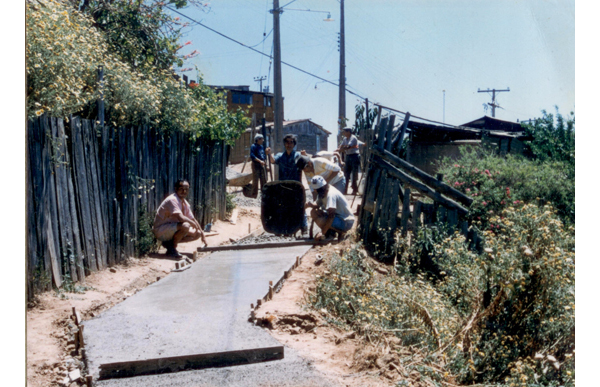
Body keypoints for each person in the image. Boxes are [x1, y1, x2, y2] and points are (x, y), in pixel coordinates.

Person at [153, 179, 206, 258]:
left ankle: (169, 245)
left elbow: (193, 219)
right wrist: (193, 223)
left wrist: (202, 235)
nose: (184, 191)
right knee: (185, 226)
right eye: (181, 189)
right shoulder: (172, 200)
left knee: (197, 233)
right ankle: (172, 249)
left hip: (171, 229)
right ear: (176, 189)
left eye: (186, 189)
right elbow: (181, 218)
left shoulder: (184, 203)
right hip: (160, 230)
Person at [268, 134, 308, 234]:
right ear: (284, 144)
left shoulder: (298, 155)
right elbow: (273, 160)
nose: (289, 144)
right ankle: (285, 229)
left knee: (300, 206)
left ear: (294, 144)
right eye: (287, 142)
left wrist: (305, 156)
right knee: (284, 206)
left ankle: (304, 227)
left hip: (296, 186)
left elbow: (307, 165)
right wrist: (269, 154)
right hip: (283, 186)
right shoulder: (280, 155)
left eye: (291, 142)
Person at [305, 176, 354, 241]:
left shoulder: (331, 194)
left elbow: (331, 216)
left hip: (345, 222)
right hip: (338, 218)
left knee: (321, 218)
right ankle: (330, 232)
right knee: (314, 212)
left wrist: (322, 233)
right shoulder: (323, 191)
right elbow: (317, 204)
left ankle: (332, 233)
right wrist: (310, 205)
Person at [337, 127, 361, 194]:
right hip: (348, 156)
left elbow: (348, 146)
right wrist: (338, 149)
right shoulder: (345, 138)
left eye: (345, 132)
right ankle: (345, 190)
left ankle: (355, 190)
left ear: (349, 132)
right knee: (346, 174)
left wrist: (340, 150)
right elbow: (341, 145)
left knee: (354, 174)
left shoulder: (353, 138)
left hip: (354, 156)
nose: (344, 133)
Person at [250, 134, 269, 198]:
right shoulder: (253, 146)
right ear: (258, 139)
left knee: (263, 179)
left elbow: (263, 156)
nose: (263, 140)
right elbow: (252, 156)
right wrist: (260, 161)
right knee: (255, 180)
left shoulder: (261, 147)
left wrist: (265, 162)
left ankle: (264, 193)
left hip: (262, 165)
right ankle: (254, 194)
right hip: (256, 165)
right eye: (261, 139)